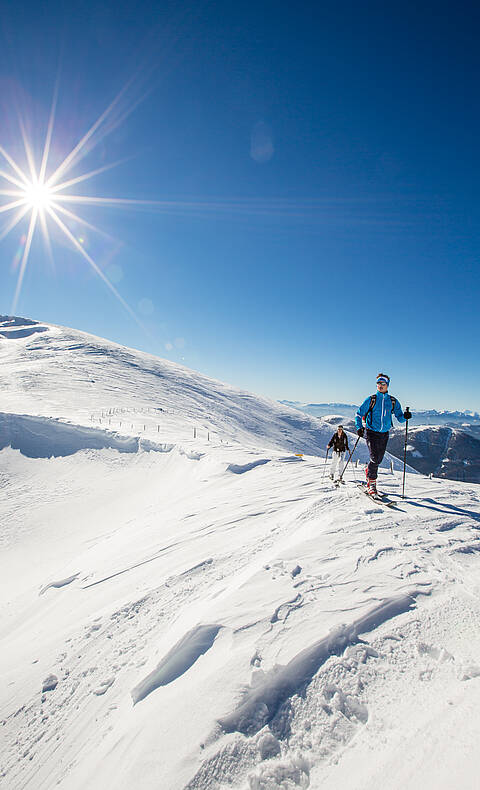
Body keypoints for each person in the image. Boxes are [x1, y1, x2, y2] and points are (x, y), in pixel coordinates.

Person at [355, 373, 412, 495]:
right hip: (371, 432)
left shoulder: (392, 401)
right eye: (378, 383)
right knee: (375, 458)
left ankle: (368, 471)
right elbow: (358, 414)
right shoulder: (371, 400)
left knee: (378, 459)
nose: (380, 385)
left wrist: (406, 417)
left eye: (383, 383)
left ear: (387, 385)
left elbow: (400, 418)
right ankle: (372, 484)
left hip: (384, 433)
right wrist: (359, 427)